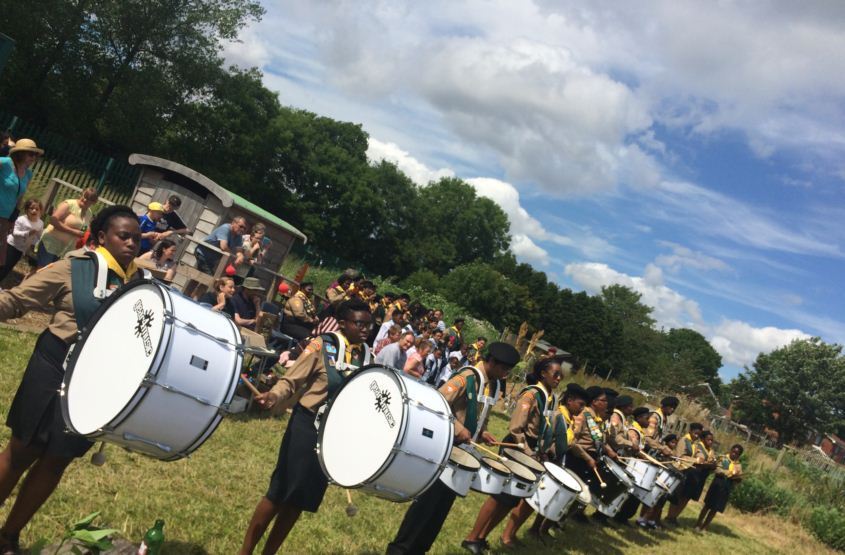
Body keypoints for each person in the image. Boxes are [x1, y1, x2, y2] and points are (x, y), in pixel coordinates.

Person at [0, 205, 144, 553]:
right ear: (100, 237)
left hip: (94, 383)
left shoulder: (140, 285)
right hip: (53, 366)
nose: (131, 244)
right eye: (123, 236)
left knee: (57, 459)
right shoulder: (74, 267)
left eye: (136, 238)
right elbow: (18, 300)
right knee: (24, 449)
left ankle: (8, 535)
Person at [238, 298, 372, 554]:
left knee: (299, 499)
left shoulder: (367, 357)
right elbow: (291, 380)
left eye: (369, 325)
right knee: (280, 491)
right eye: (359, 324)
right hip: (306, 424)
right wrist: (274, 395)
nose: (365, 329)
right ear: (343, 324)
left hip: (332, 435)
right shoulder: (323, 345)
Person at [387, 342, 520, 555]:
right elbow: (436, 399)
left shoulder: (492, 384)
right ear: (492, 361)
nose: (505, 374)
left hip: (462, 457)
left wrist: (482, 431)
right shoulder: (467, 377)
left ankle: (419, 550)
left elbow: (478, 413)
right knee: (426, 507)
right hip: (444, 451)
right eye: (503, 369)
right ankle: (400, 550)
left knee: (439, 511)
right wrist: (457, 427)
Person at [463, 358, 563, 552]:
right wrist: (528, 453)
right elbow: (516, 427)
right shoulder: (532, 394)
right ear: (543, 373)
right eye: (555, 374)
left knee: (512, 499)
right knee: (499, 496)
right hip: (517, 447)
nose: (559, 378)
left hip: (531, 451)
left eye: (561, 375)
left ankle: (482, 537)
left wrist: (542, 451)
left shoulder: (550, 397)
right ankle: (471, 537)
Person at [526, 382, 589, 537]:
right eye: (580, 404)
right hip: (548, 461)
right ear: (569, 401)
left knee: (552, 497)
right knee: (532, 499)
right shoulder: (557, 416)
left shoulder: (570, 420)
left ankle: (538, 528)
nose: (581, 409)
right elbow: (546, 438)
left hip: (558, 461)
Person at [565, 386, 619, 524]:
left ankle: (568, 517)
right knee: (573, 491)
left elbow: (599, 439)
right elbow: (573, 440)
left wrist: (609, 450)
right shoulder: (583, 415)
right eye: (604, 401)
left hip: (590, 459)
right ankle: (559, 518)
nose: (606, 403)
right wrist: (587, 457)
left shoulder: (597, 419)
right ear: (594, 402)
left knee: (586, 492)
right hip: (578, 458)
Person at [1, 139, 42, 269]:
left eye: (35, 155)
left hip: (6, 217)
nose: (34, 157)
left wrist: (13, 218)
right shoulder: (5, 163)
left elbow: (20, 197)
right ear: (21, 153)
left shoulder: (28, 174)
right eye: (31, 154)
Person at [36, 187, 98, 268]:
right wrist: (73, 232)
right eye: (85, 196)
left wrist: (82, 233)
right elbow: (53, 220)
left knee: (49, 273)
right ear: (81, 194)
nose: (85, 200)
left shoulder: (89, 213)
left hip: (65, 250)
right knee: (41, 271)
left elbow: (83, 228)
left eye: (89, 199)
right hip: (50, 244)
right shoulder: (69, 204)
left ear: (94, 202)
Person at [696, 444, 743, 533]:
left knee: (715, 508)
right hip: (717, 483)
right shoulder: (722, 458)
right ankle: (698, 523)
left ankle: (705, 526)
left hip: (727, 486)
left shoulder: (738, 465)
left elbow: (739, 475)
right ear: (730, 450)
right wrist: (729, 473)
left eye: (737, 453)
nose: (734, 454)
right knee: (707, 505)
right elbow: (717, 469)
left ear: (739, 455)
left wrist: (738, 478)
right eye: (733, 451)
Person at [664, 422, 704, 526]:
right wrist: (695, 460)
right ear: (690, 431)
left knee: (684, 496)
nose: (697, 435)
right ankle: (669, 516)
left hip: (690, 471)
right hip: (681, 470)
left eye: (699, 434)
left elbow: (698, 452)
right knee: (677, 495)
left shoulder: (695, 442)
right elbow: (679, 456)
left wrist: (700, 457)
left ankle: (674, 517)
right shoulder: (684, 440)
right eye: (695, 433)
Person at [0, 199, 43, 282]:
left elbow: (38, 236)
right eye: (31, 208)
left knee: (9, 267)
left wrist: (34, 245)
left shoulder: (40, 223)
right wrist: (27, 233)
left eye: (37, 209)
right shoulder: (21, 219)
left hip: (21, 249)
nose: (34, 211)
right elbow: (14, 233)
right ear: (27, 210)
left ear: (40, 211)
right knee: (4, 265)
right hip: (11, 245)